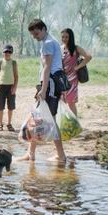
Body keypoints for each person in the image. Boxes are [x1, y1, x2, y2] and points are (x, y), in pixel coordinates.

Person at [18, 19, 66, 163]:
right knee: (41, 118)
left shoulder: (48, 44)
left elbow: (47, 67)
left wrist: (44, 89)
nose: (35, 37)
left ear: (44, 29)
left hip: (49, 84)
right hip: (51, 84)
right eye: (33, 35)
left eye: (37, 33)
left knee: (43, 119)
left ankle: (59, 156)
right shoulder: (53, 41)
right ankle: (32, 153)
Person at [60, 28, 92, 117]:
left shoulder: (76, 48)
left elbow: (88, 56)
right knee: (61, 102)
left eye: (66, 37)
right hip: (62, 80)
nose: (64, 39)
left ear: (71, 37)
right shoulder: (60, 49)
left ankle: (75, 125)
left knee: (71, 102)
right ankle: (64, 124)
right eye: (62, 37)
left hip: (73, 80)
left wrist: (77, 67)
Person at [0, 44, 18, 131]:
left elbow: (16, 76)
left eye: (9, 52)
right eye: (5, 52)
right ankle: (0, 124)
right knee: (0, 106)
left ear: (11, 53)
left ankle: (9, 123)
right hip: (1, 86)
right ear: (3, 52)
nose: (7, 53)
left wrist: (14, 87)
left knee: (10, 106)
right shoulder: (0, 62)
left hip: (10, 86)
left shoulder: (13, 62)